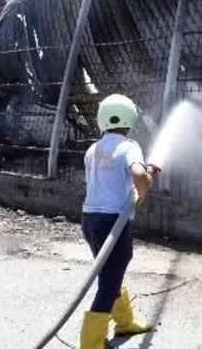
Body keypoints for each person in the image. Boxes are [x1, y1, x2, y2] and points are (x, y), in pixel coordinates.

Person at [80, 94, 161, 349]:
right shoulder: (128, 146)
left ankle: (125, 322)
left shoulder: (93, 149)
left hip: (89, 220)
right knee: (108, 281)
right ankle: (90, 344)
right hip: (112, 221)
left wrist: (143, 179)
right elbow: (137, 174)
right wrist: (145, 184)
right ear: (129, 119)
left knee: (109, 272)